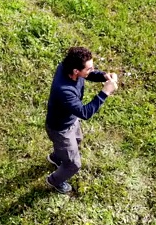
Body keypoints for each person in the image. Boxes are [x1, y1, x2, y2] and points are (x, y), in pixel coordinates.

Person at [45, 46, 118, 193]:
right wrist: (105, 92)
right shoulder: (64, 90)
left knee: (77, 140)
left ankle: (57, 158)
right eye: (89, 69)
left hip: (70, 120)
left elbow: (89, 75)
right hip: (60, 129)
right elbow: (85, 113)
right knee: (74, 164)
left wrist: (104, 76)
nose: (92, 70)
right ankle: (54, 181)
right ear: (76, 71)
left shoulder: (70, 68)